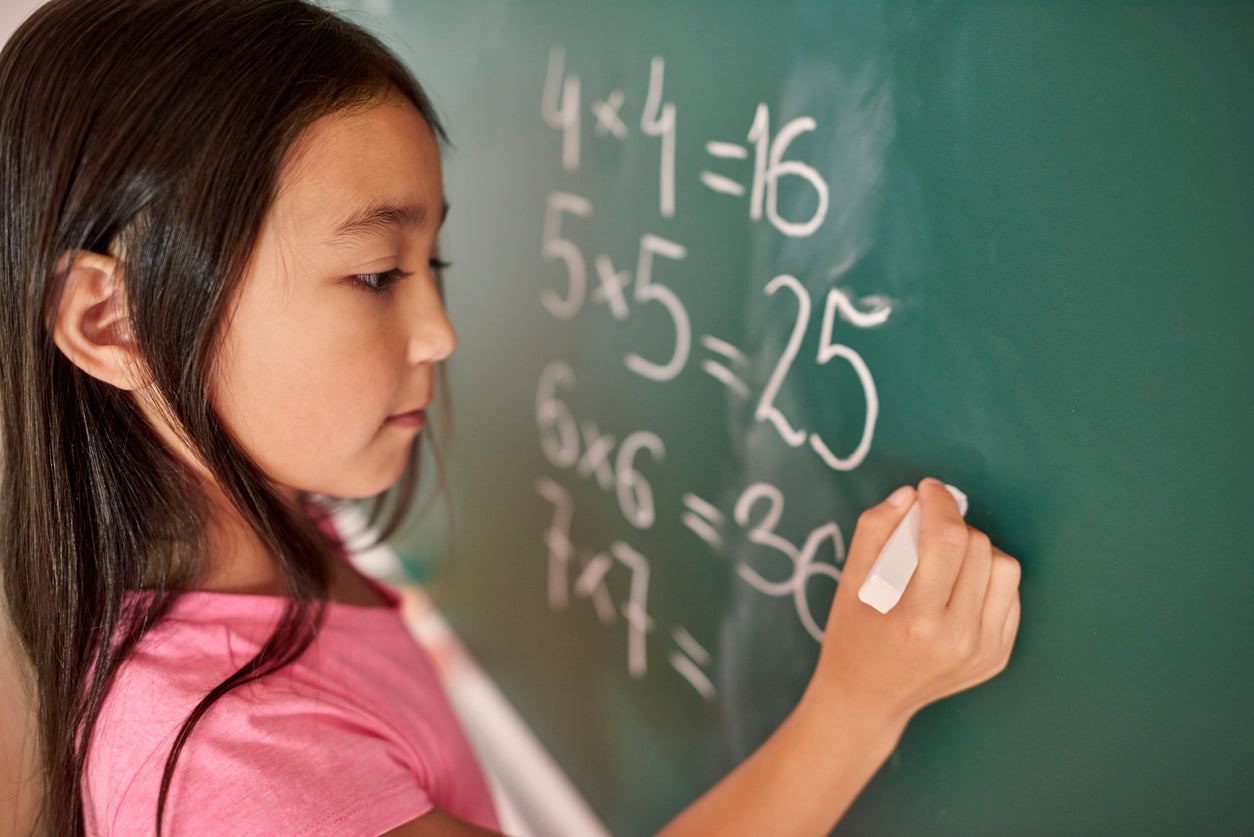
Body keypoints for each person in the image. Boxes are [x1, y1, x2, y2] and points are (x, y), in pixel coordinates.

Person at [0, 1, 1022, 835]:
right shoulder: (237, 778)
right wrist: (858, 708)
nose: (440, 330)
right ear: (110, 320)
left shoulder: (261, 520)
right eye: (373, 275)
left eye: (429, 266)